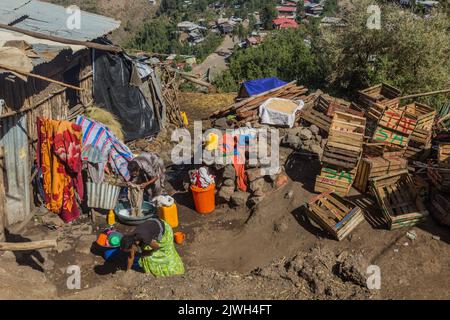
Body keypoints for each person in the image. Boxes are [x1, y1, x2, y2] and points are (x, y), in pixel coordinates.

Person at [120, 217, 185, 277]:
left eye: (130, 250)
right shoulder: (130, 239)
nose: (131, 252)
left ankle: (173, 271)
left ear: (133, 245)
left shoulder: (144, 237)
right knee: (144, 252)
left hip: (165, 231)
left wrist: (148, 252)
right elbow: (130, 256)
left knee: (151, 257)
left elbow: (157, 247)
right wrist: (127, 272)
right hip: (152, 226)